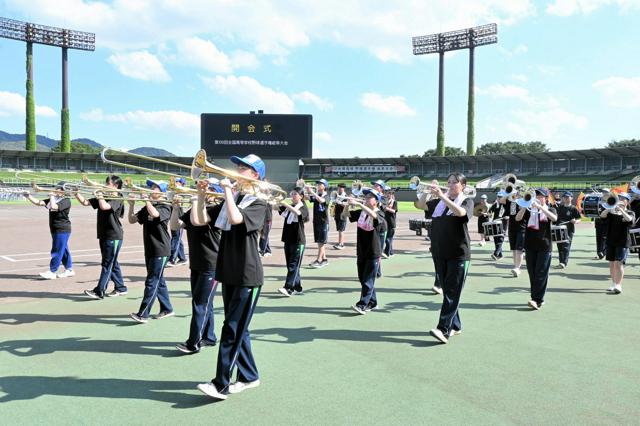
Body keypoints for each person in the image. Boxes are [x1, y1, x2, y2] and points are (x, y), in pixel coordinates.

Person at [197, 154, 267, 400]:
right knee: (239, 328)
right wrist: (201, 195)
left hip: (247, 275)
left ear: (255, 175)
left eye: (244, 168)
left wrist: (227, 190)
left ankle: (221, 384)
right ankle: (249, 376)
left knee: (232, 328)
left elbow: (237, 219)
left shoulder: (259, 202)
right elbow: (200, 219)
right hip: (228, 271)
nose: (237, 170)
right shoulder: (234, 198)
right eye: (238, 166)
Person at [172, 179, 223, 354]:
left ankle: (193, 343)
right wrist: (175, 207)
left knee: (200, 304)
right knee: (203, 302)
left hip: (212, 264)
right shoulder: (194, 209)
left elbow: (198, 220)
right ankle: (209, 336)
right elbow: (174, 226)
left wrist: (196, 200)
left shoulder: (216, 210)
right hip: (197, 263)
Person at [427, 173, 474, 344]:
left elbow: (461, 213)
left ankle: (443, 329)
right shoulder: (440, 202)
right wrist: (427, 192)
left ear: (463, 186)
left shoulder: (466, 201)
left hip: (459, 254)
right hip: (440, 253)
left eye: (455, 182)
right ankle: (456, 325)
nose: (451, 184)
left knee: (452, 292)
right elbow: (419, 205)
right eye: (449, 182)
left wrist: (441, 196)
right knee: (448, 292)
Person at [127, 180, 174, 324]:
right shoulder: (149, 206)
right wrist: (132, 205)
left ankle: (143, 313)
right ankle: (167, 308)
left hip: (161, 249)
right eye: (151, 187)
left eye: (155, 187)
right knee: (158, 280)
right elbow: (132, 220)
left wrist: (146, 200)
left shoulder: (165, 206)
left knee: (152, 281)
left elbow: (156, 215)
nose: (151, 189)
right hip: (150, 248)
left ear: (162, 191)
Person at [75, 176, 128, 299]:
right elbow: (85, 202)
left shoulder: (117, 197)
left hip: (113, 235)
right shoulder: (103, 196)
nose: (104, 185)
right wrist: (76, 193)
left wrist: (99, 194)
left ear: (115, 186)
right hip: (104, 235)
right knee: (112, 263)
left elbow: (105, 207)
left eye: (107, 183)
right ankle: (120, 287)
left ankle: (100, 291)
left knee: (107, 264)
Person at [342, 188, 386, 314]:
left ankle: (362, 305)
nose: (366, 199)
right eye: (365, 197)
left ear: (376, 201)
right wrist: (347, 205)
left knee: (368, 279)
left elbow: (375, 216)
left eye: (369, 197)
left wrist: (360, 204)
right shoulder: (362, 212)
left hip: (373, 251)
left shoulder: (380, 213)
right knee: (363, 279)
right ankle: (373, 302)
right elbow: (347, 215)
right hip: (361, 250)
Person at [515, 188, 558, 310]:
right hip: (530, 245)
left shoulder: (550, 209)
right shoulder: (529, 210)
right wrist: (524, 205)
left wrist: (541, 208)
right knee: (532, 273)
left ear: (545, 198)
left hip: (545, 246)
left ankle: (536, 300)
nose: (538, 198)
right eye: (536, 195)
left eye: (540, 196)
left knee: (541, 273)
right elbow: (518, 218)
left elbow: (554, 218)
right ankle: (537, 297)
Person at [23, 182, 74, 279]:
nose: (56, 189)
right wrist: (28, 196)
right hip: (55, 228)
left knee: (57, 250)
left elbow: (54, 207)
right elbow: (39, 203)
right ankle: (69, 269)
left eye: (58, 188)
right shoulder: (55, 199)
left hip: (62, 229)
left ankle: (52, 271)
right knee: (64, 250)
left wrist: (51, 196)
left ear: (63, 191)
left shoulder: (66, 201)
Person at [277, 187, 309, 296]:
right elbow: (277, 208)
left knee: (293, 265)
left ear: (301, 196)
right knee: (291, 265)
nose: (293, 196)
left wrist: (286, 204)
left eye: (295, 194)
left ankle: (288, 288)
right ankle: (298, 287)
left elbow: (298, 213)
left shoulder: (303, 207)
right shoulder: (289, 207)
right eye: (292, 193)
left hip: (298, 240)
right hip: (288, 239)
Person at [601, 192, 634, 294]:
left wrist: (621, 210)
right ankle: (614, 283)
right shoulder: (611, 212)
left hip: (623, 241)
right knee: (612, 264)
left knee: (619, 263)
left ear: (627, 201)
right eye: (619, 198)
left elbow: (629, 220)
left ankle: (619, 285)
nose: (620, 200)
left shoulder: (630, 212)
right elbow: (602, 216)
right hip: (611, 240)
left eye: (623, 198)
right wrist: (609, 208)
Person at [415, 181, 443, 295]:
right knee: (438, 261)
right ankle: (439, 283)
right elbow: (421, 205)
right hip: (436, 236)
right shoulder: (435, 202)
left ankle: (443, 283)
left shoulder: (454, 201)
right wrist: (426, 191)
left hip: (451, 238)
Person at [499, 188, 526, 277]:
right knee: (514, 250)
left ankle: (518, 268)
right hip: (511, 228)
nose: (517, 194)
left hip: (522, 228)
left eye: (518, 192)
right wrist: (509, 193)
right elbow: (501, 200)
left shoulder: (523, 202)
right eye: (516, 192)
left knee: (519, 249)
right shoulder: (511, 202)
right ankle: (516, 267)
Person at [553, 192, 581, 269]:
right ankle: (561, 262)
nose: (566, 198)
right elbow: (556, 218)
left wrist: (575, 221)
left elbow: (579, 219)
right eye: (564, 197)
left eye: (567, 197)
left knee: (566, 246)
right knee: (560, 247)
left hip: (569, 230)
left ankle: (563, 263)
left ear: (571, 198)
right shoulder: (560, 207)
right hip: (559, 229)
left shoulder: (573, 208)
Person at [307, 179, 329, 268]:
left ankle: (319, 260)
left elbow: (322, 201)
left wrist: (313, 192)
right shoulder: (317, 195)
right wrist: (307, 191)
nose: (318, 185)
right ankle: (324, 259)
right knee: (319, 241)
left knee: (321, 242)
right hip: (316, 221)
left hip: (323, 221)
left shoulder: (327, 195)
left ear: (325, 186)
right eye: (318, 184)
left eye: (320, 184)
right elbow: (308, 198)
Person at [167, 177, 188, 267]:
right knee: (177, 237)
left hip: (178, 216)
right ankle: (182, 258)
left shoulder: (181, 192)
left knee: (176, 237)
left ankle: (172, 258)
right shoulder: (174, 191)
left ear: (182, 184)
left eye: (178, 182)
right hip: (173, 215)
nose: (175, 183)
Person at [488, 195, 508, 261]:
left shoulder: (507, 205)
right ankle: (500, 255)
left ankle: (496, 253)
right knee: (496, 239)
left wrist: (508, 217)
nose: (499, 198)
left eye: (500, 197)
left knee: (500, 239)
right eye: (498, 197)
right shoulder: (495, 205)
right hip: (495, 223)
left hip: (503, 224)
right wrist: (488, 214)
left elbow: (512, 214)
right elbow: (490, 212)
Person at [594, 188, 610, 260]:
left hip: (607, 222)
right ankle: (599, 253)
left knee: (604, 237)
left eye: (606, 192)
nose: (604, 193)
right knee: (598, 238)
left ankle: (602, 252)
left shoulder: (611, 201)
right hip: (598, 221)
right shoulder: (598, 200)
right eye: (603, 192)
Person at [332, 183, 348, 250]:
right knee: (339, 230)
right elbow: (334, 204)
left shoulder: (345, 196)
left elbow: (346, 205)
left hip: (343, 215)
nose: (339, 189)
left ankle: (341, 244)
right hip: (337, 214)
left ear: (343, 188)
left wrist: (339, 202)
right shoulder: (337, 195)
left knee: (341, 230)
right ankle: (340, 243)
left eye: (340, 188)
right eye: (338, 188)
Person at [383, 190, 397, 257]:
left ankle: (387, 253)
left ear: (392, 195)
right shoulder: (385, 202)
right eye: (387, 193)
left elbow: (394, 211)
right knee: (387, 238)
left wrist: (386, 208)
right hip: (385, 222)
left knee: (388, 238)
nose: (388, 195)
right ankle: (390, 252)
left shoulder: (394, 202)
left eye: (390, 194)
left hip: (391, 222)